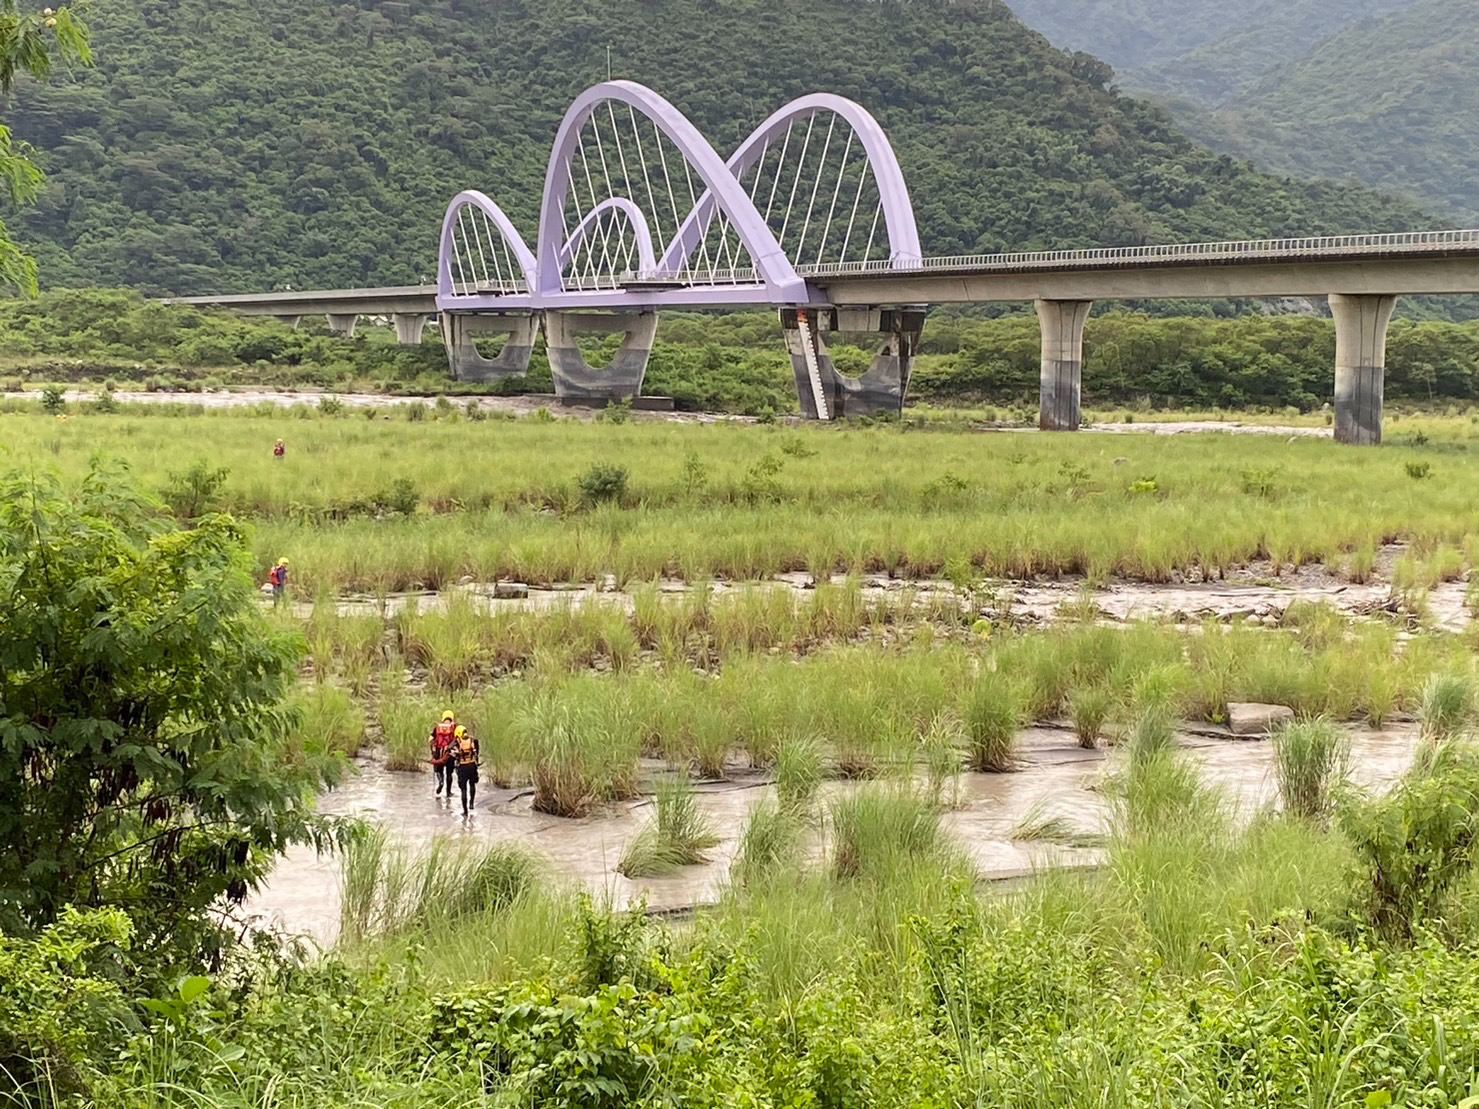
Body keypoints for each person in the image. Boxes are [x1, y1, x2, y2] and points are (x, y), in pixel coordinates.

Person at [428, 710, 457, 799]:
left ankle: (441, 781)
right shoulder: (454, 727)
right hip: (450, 753)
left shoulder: (437, 728)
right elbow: (458, 739)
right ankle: (448, 792)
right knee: (449, 773)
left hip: (439, 752)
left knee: (438, 770)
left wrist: (433, 749)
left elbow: (430, 739)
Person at [452, 724, 480, 816]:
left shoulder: (457, 741)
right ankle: (471, 803)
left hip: (462, 767)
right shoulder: (473, 740)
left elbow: (448, 748)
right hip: (472, 766)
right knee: (472, 784)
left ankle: (465, 811)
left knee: (463, 789)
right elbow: (477, 753)